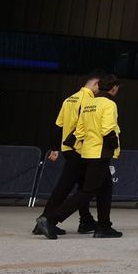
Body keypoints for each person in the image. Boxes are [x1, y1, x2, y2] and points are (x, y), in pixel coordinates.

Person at [38, 75, 123, 239]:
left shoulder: (90, 103)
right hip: (100, 152)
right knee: (87, 191)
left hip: (87, 152)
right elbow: (107, 129)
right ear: (113, 88)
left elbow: (80, 130)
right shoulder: (109, 104)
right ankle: (50, 220)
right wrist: (113, 146)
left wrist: (68, 143)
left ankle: (104, 226)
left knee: (105, 189)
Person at [33, 72, 102, 236]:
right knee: (69, 188)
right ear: (95, 85)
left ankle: (85, 220)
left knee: (81, 187)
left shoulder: (69, 99)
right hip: (80, 149)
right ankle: (46, 220)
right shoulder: (90, 101)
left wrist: (55, 148)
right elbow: (85, 127)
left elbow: (58, 126)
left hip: (67, 149)